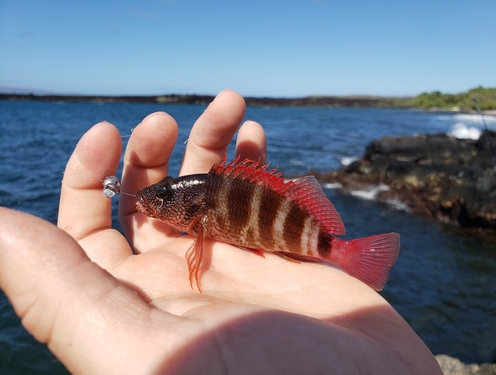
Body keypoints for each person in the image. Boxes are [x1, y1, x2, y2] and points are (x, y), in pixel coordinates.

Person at [0, 90, 442, 374]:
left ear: (189, 208)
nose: (151, 202)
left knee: (310, 236)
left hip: (303, 240)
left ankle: (340, 252)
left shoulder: (200, 214)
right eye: (154, 198)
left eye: (162, 198)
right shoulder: (193, 206)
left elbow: (209, 229)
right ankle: (337, 251)